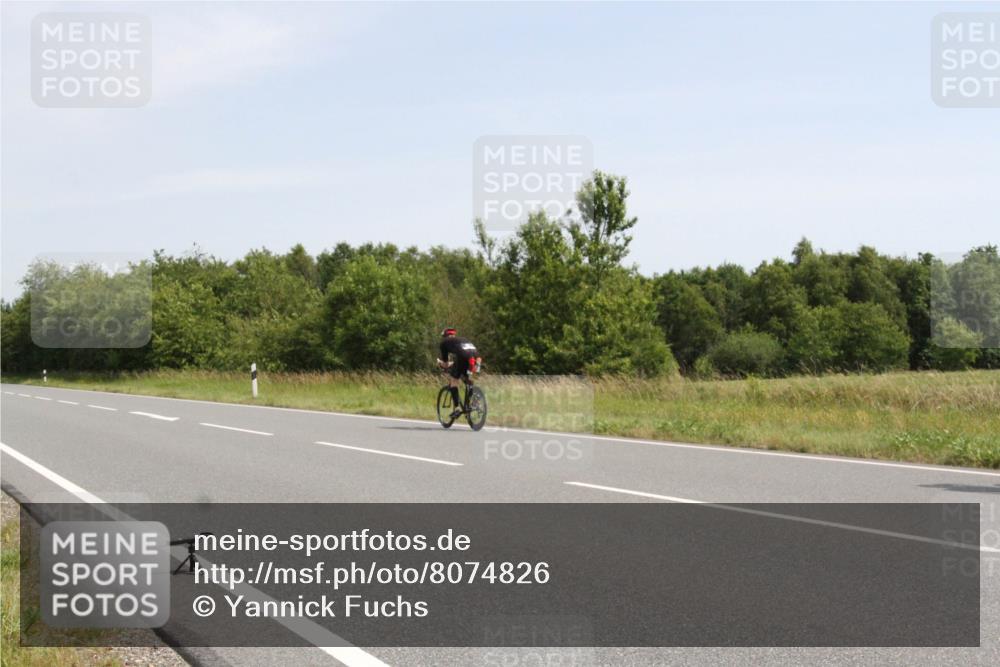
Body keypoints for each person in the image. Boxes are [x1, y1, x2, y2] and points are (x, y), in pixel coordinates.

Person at [436, 327, 478, 418]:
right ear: (453, 335)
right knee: (467, 379)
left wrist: (440, 363)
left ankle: (457, 408)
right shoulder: (462, 340)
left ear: (445, 336)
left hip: (464, 356)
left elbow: (446, 364)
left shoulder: (444, 343)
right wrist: (453, 364)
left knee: (454, 380)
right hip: (476, 356)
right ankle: (472, 403)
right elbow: (464, 357)